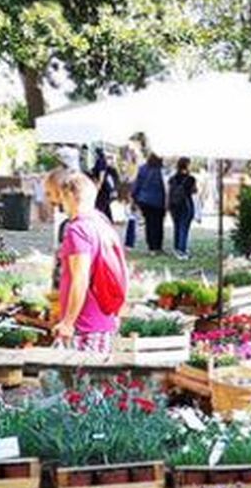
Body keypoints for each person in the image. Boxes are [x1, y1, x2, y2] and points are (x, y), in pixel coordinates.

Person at [49, 167, 127, 353]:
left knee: (72, 380)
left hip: (84, 326)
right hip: (103, 319)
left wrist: (68, 322)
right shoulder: (101, 222)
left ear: (67, 196)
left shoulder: (77, 229)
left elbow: (80, 279)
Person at [132, 153, 167, 253]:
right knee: (158, 224)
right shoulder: (160, 169)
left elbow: (137, 184)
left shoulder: (142, 168)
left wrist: (135, 198)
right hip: (158, 201)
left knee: (149, 223)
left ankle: (151, 246)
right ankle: (158, 246)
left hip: (145, 200)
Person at [168, 157, 198, 260]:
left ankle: (177, 248)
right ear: (187, 165)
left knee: (177, 227)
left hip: (174, 205)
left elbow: (169, 192)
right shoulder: (191, 179)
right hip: (186, 205)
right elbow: (194, 191)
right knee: (184, 228)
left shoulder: (172, 178)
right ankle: (182, 250)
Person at [87, 148, 119, 227]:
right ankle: (109, 222)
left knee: (100, 206)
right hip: (105, 187)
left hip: (103, 188)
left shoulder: (101, 161)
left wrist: (98, 186)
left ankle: (100, 223)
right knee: (105, 206)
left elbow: (102, 174)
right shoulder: (101, 161)